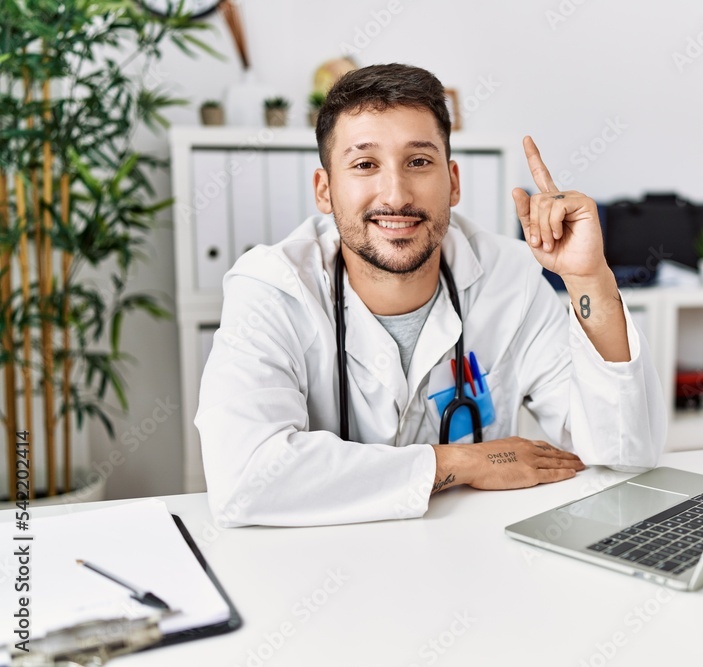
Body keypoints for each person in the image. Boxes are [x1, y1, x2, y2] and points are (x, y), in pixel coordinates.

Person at [195, 63, 666, 527]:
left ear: (453, 181)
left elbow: (624, 454)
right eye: (364, 164)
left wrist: (589, 279)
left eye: (418, 162)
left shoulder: (512, 279)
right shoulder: (273, 287)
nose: (396, 195)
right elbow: (246, 477)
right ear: (325, 189)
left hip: (470, 567)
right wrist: (462, 462)